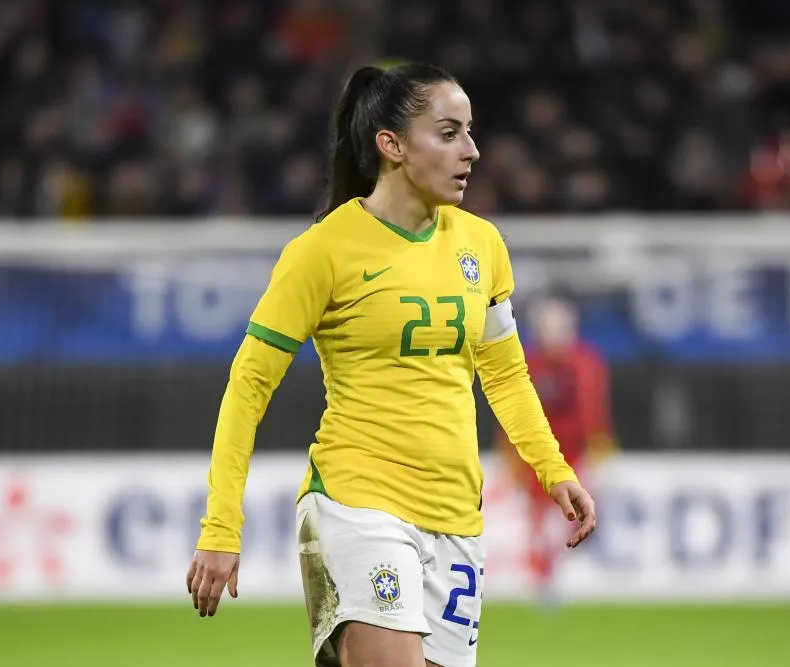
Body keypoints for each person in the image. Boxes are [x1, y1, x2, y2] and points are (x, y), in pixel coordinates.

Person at [185, 62, 597, 667]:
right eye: (450, 133)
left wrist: (553, 469)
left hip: (457, 518)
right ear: (392, 145)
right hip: (357, 503)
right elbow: (249, 385)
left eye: (470, 132)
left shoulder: (482, 245)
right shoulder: (322, 251)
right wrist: (221, 524)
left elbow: (506, 375)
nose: (472, 151)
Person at [495, 291, 616, 607]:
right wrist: (511, 455)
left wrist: (599, 446)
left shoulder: (586, 362)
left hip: (575, 453)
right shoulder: (529, 363)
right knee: (538, 518)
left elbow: (594, 410)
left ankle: (555, 573)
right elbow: (513, 411)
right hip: (539, 456)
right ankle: (542, 578)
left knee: (574, 514)